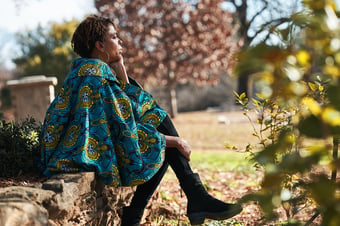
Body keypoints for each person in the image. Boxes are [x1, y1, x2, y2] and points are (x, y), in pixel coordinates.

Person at [38, 15, 242, 225]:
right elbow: (127, 130)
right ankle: (186, 199)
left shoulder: (84, 74)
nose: (120, 42)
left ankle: (182, 200)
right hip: (91, 152)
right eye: (115, 37)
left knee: (157, 124)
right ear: (100, 45)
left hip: (87, 147)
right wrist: (174, 141)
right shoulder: (97, 79)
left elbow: (130, 111)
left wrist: (121, 68)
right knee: (163, 145)